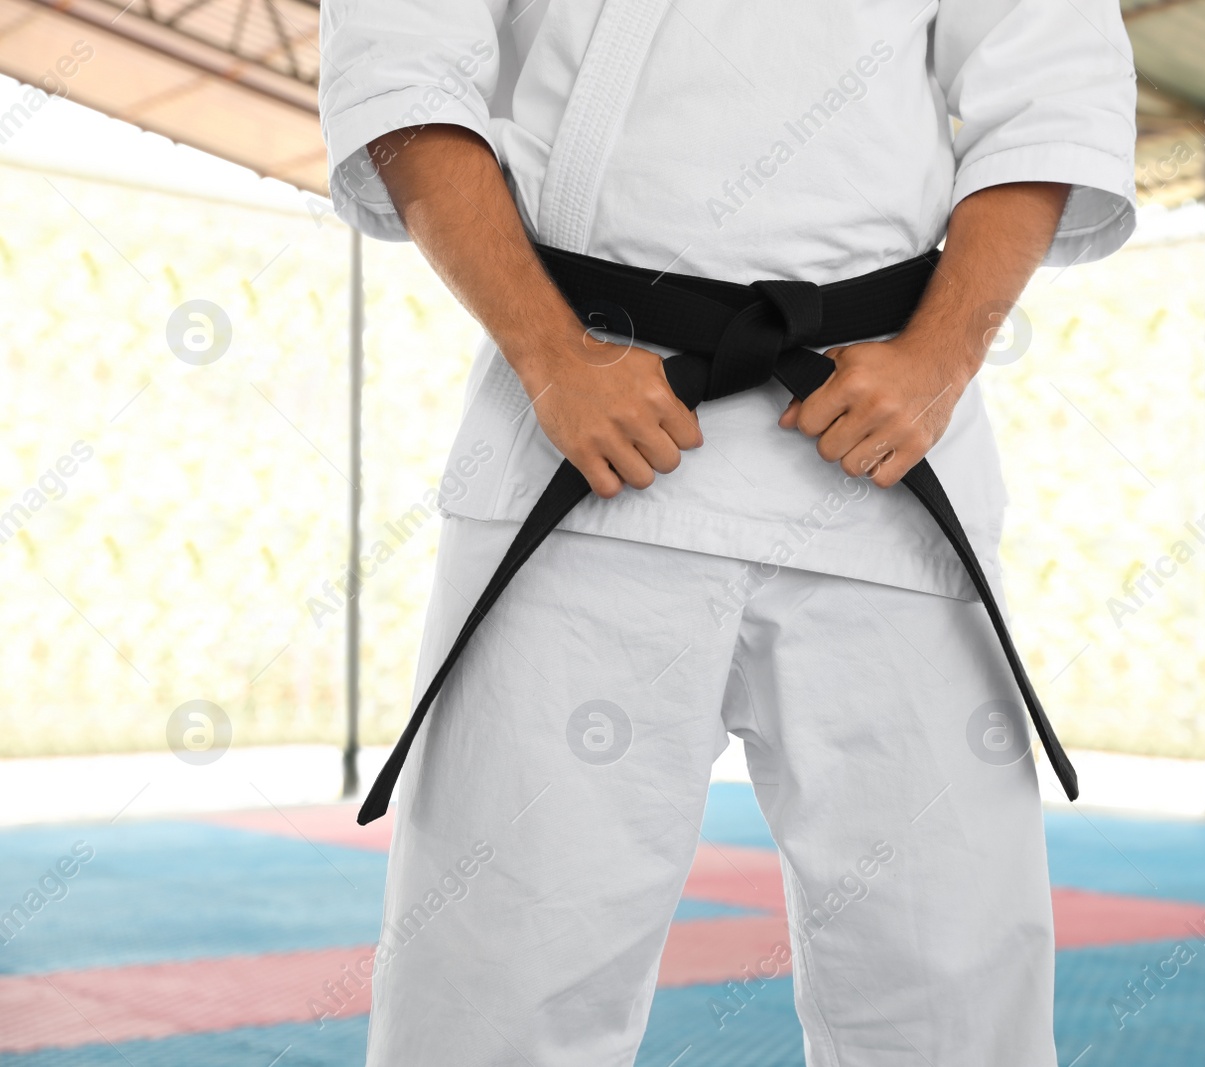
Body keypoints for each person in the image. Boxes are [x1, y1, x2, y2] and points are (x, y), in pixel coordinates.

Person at [318, 0, 1135, 1062]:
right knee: (499, 969)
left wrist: (941, 356)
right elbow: (403, 68)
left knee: (950, 976)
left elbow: (1047, 86)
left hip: (878, 456)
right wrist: (550, 354)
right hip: (584, 446)